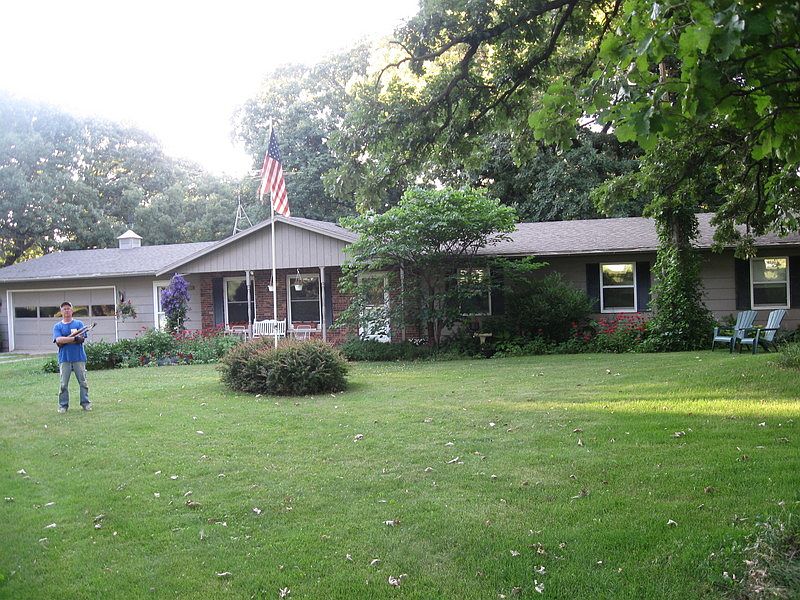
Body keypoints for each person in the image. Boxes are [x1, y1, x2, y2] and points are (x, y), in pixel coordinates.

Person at [52, 301, 91, 413]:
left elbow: (82, 338)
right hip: (64, 359)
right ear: (61, 311)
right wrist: (74, 339)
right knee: (63, 384)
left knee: (83, 382)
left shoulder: (79, 324)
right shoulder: (57, 326)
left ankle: (85, 403)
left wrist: (66, 339)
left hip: (79, 357)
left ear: (72, 310)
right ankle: (63, 406)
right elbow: (58, 340)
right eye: (64, 309)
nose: (66, 310)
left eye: (68, 308)